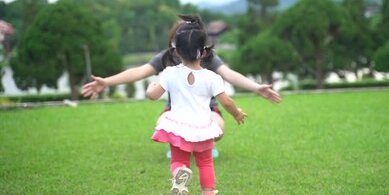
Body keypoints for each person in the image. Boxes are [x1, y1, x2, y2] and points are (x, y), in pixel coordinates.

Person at [81, 15, 281, 152]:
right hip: (175, 110)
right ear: (174, 43)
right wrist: (106, 82)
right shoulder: (167, 58)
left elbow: (228, 74)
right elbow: (139, 71)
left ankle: (199, 146)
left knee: (217, 129)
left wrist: (257, 87)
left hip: (206, 110)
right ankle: (181, 148)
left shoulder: (208, 58)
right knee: (163, 125)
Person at [146, 14, 247, 195]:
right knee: (205, 162)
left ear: (177, 52)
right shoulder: (212, 78)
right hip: (203, 128)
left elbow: (153, 96)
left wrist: (150, 87)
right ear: (205, 52)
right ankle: (207, 192)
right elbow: (226, 102)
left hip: (177, 126)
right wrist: (237, 113)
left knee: (178, 161)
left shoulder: (169, 73)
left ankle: (180, 174)